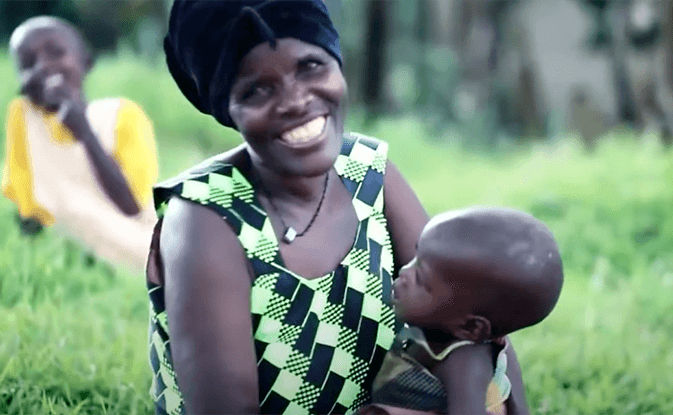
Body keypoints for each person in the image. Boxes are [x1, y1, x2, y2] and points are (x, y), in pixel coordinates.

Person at [147, 1, 529, 414]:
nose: (295, 101)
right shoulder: (206, 217)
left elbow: (469, 316)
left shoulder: (368, 170)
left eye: (311, 66)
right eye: (257, 90)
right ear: (226, 108)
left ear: (337, 63)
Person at [359, 207, 564, 415]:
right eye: (415, 257)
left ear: (470, 327)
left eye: (421, 280)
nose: (404, 272)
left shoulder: (465, 361)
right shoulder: (443, 329)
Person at [2, 16, 159, 272]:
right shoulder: (23, 116)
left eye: (56, 53)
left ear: (86, 62)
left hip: (128, 250)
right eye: (28, 63)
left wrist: (83, 130)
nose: (43, 67)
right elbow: (27, 210)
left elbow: (133, 208)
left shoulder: (122, 115)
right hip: (60, 257)